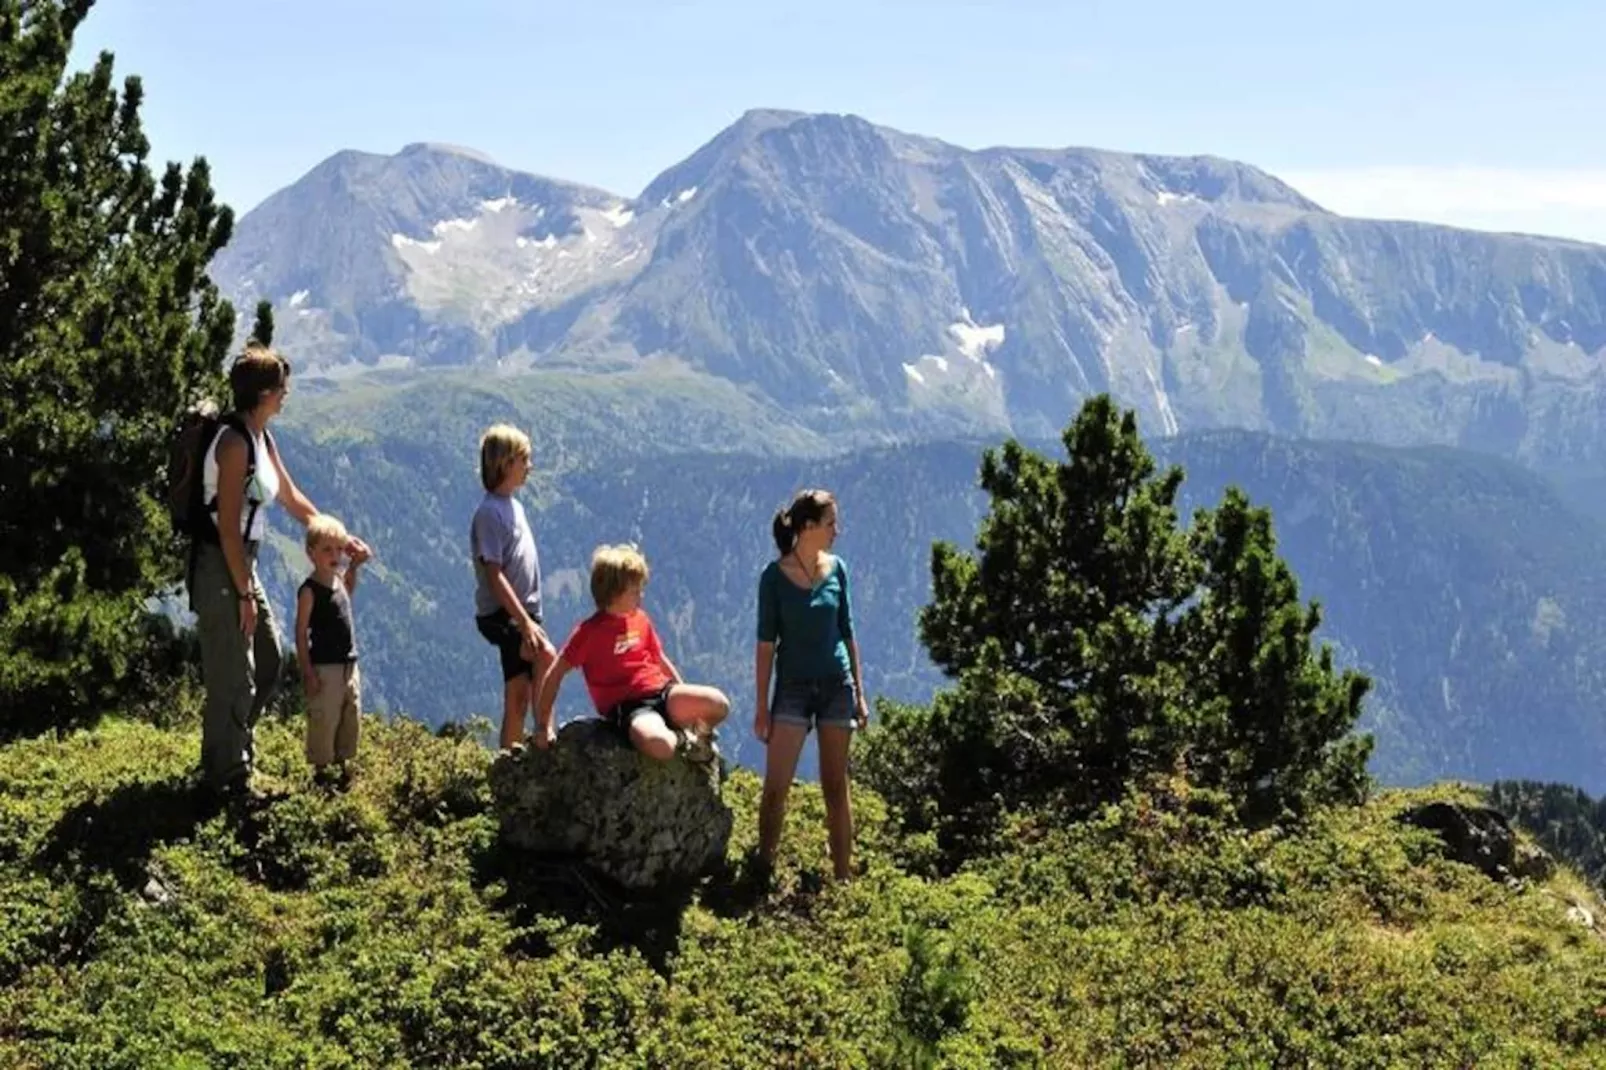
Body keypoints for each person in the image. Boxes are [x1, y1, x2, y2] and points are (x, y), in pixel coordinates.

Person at [191, 343, 370, 801]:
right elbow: (228, 531)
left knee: (268, 659)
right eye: (282, 389)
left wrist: (338, 537)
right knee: (234, 672)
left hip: (241, 564)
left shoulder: (261, 438)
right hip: (221, 565)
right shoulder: (233, 445)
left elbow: (291, 499)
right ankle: (225, 778)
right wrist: (245, 595)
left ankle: (232, 752)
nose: (287, 395)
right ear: (265, 392)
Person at [753, 489, 869, 882]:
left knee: (836, 787)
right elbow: (766, 645)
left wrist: (860, 694)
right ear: (807, 528)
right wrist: (761, 708)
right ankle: (762, 868)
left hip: (837, 685)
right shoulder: (773, 579)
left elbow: (847, 631)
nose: (838, 530)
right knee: (776, 788)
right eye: (831, 523)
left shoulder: (838, 569)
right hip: (793, 688)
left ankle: (842, 878)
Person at [537, 543, 729, 761]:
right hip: (630, 707)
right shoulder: (588, 633)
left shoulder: (641, 619)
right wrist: (543, 725)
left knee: (718, 704)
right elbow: (555, 672)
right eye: (634, 591)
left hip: (662, 693)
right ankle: (683, 739)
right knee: (661, 747)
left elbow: (659, 660)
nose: (641, 596)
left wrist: (681, 690)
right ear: (614, 593)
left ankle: (698, 742)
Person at [470, 423, 555, 749]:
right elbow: (494, 574)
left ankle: (530, 746)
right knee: (543, 660)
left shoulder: (512, 506)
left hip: (523, 613)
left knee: (524, 686)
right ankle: (541, 741)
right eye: (524, 459)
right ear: (506, 464)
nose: (529, 466)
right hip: (505, 614)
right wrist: (522, 622)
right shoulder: (489, 513)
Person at [295, 513, 369, 786]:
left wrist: (356, 565)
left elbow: (348, 592)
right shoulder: (309, 591)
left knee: (350, 715)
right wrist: (308, 672)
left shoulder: (338, 581)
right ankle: (322, 774)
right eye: (327, 549)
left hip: (349, 665)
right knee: (325, 720)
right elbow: (301, 633)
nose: (335, 555)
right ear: (311, 552)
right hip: (325, 667)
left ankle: (343, 767)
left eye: (339, 548)